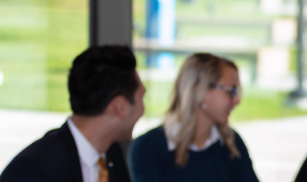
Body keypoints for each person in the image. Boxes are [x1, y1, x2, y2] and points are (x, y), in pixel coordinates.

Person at [0, 45, 145, 182]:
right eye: (141, 98)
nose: (143, 110)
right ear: (121, 107)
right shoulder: (33, 171)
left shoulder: (111, 154)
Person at [129, 53, 258, 182]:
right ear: (199, 90)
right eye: (231, 91)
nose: (237, 100)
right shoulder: (147, 148)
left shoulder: (231, 144)